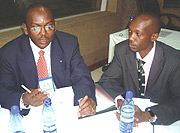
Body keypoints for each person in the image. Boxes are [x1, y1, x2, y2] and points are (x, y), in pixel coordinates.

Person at [0, 3, 96, 117]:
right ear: (25, 29)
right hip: (32, 110)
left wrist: (85, 100)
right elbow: (3, 90)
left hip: (64, 104)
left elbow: (82, 76)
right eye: (35, 27)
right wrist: (23, 100)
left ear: (55, 26)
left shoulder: (69, 43)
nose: (43, 33)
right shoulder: (9, 53)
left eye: (49, 26)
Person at [99, 12, 180, 125]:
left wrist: (148, 115)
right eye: (130, 32)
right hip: (127, 114)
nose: (131, 38)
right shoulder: (122, 50)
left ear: (154, 36)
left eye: (138, 34)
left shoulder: (174, 60)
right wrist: (121, 101)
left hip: (159, 115)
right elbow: (108, 80)